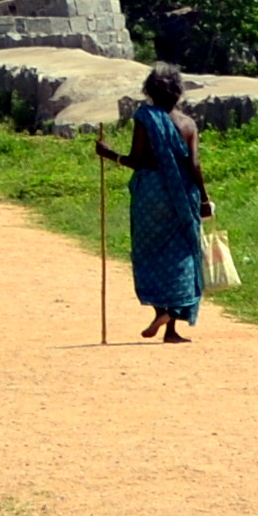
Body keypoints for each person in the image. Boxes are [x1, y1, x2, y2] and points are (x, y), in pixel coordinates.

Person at [91, 64, 211, 340]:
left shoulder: (146, 118)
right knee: (182, 253)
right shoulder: (188, 124)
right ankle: (172, 326)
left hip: (151, 195)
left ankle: (161, 309)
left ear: (150, 92)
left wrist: (109, 154)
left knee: (149, 252)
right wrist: (204, 198)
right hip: (183, 195)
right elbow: (194, 165)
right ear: (178, 92)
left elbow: (137, 160)